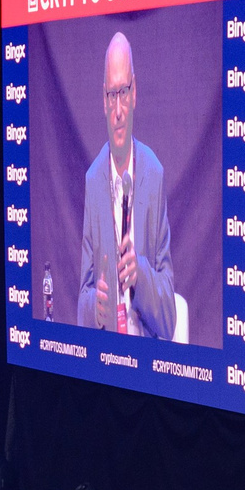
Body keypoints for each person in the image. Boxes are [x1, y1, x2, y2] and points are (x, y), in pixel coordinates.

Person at [75, 32, 177, 338]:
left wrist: (140, 275)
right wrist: (97, 306)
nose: (118, 109)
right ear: (103, 100)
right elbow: (82, 300)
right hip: (107, 359)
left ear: (134, 94)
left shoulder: (153, 173)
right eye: (111, 95)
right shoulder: (93, 181)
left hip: (145, 361)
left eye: (124, 92)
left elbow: (169, 320)